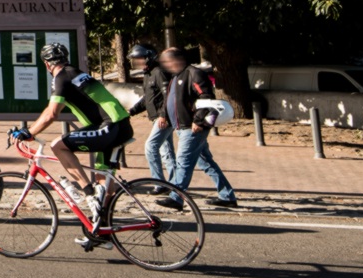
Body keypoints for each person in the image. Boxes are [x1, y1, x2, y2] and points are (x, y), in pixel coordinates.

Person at [12, 42, 133, 249]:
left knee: (58, 145)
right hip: (120, 125)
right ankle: (101, 232)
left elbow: (52, 113)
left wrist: (29, 132)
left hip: (109, 126)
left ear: (46, 64)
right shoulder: (75, 73)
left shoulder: (61, 78)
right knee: (105, 183)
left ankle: (87, 194)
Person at [156, 48, 238, 209]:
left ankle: (176, 197)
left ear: (177, 60)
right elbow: (170, 100)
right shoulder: (176, 76)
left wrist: (199, 121)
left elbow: (206, 98)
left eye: (167, 61)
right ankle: (227, 196)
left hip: (193, 128)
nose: (166, 65)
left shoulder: (194, 73)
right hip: (183, 127)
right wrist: (164, 115)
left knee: (183, 162)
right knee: (206, 162)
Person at [127, 43, 175, 189]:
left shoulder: (158, 72)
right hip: (157, 118)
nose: (137, 62)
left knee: (150, 146)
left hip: (163, 119)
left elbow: (168, 94)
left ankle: (159, 184)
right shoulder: (148, 74)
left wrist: (163, 116)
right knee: (166, 153)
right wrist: (131, 111)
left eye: (139, 59)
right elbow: (147, 99)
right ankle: (174, 185)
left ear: (148, 57)